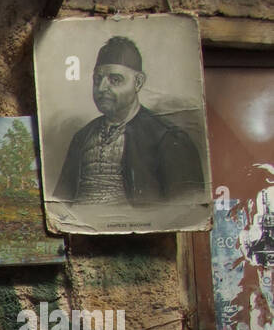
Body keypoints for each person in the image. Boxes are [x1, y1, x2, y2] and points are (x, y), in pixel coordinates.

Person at [53, 35, 205, 207]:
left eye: (115, 80)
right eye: (97, 80)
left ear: (138, 82)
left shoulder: (169, 139)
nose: (102, 88)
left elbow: (186, 211)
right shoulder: (82, 137)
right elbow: (59, 208)